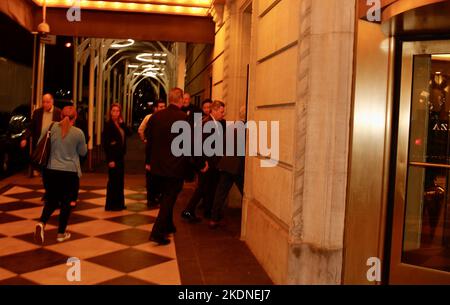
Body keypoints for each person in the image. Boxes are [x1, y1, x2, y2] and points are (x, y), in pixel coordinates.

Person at [146, 88, 208, 245]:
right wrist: (200, 164)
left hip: (157, 167)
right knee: (169, 198)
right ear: (180, 99)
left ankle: (168, 226)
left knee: (167, 196)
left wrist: (148, 162)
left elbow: (149, 141)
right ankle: (157, 232)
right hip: (175, 167)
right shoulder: (183, 118)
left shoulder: (156, 117)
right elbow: (191, 144)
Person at [34, 106, 87, 244]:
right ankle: (61, 233)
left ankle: (41, 223)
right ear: (75, 118)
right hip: (69, 173)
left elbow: (40, 142)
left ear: (60, 115)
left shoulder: (50, 127)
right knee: (66, 203)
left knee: (51, 200)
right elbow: (83, 152)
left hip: (51, 171)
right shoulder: (78, 133)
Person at [181, 100, 226, 221]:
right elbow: (199, 145)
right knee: (202, 188)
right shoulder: (207, 123)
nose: (223, 114)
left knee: (208, 187)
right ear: (214, 110)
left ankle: (206, 211)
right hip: (206, 162)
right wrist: (202, 163)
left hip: (212, 162)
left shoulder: (215, 123)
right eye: (221, 111)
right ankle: (188, 210)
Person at [21, 93, 62, 177]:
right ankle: (39, 170)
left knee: (51, 158)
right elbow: (31, 127)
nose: (45, 104)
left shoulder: (58, 112)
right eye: (43, 102)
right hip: (40, 140)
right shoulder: (37, 112)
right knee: (39, 156)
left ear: (52, 102)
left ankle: (49, 173)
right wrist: (24, 138)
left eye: (47, 102)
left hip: (52, 140)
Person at [103, 103, 131, 211]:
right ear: (110, 112)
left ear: (120, 113)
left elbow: (129, 133)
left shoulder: (120, 124)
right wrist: (110, 160)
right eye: (113, 111)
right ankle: (110, 205)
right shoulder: (108, 125)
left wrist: (123, 124)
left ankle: (119, 204)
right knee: (113, 181)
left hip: (120, 156)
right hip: (113, 157)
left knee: (120, 181)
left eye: (117, 111)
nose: (115, 113)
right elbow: (106, 144)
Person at [142, 100, 166, 207]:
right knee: (151, 178)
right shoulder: (151, 119)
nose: (162, 108)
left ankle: (157, 197)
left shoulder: (165, 119)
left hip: (161, 154)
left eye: (164, 106)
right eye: (160, 107)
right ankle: (151, 199)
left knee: (158, 178)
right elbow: (146, 136)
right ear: (155, 108)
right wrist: (145, 140)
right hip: (152, 154)